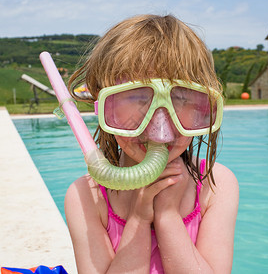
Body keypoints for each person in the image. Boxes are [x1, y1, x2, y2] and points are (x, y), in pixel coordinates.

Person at [64, 14, 239, 274]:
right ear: (104, 110)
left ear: (204, 109)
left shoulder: (216, 185)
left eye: (181, 98)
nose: (159, 128)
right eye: (135, 98)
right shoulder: (86, 197)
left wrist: (167, 216)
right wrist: (139, 217)